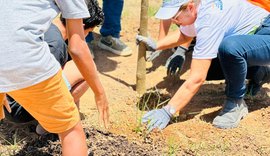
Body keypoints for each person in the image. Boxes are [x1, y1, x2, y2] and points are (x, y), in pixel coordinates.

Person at [136, 0, 270, 131]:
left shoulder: (210, 20)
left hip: (266, 34)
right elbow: (185, 34)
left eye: (175, 18)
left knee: (229, 48)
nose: (173, 22)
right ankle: (259, 71)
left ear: (189, 8)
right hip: (254, 36)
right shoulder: (198, 6)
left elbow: (197, 78)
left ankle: (235, 103)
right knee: (211, 68)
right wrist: (157, 45)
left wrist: (168, 111)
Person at [0, 0, 109, 155]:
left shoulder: (45, 29)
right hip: (18, 106)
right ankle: (47, 125)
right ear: (83, 25)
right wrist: (100, 93)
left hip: (7, 79)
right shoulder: (56, 45)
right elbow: (77, 48)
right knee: (72, 131)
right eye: (89, 32)